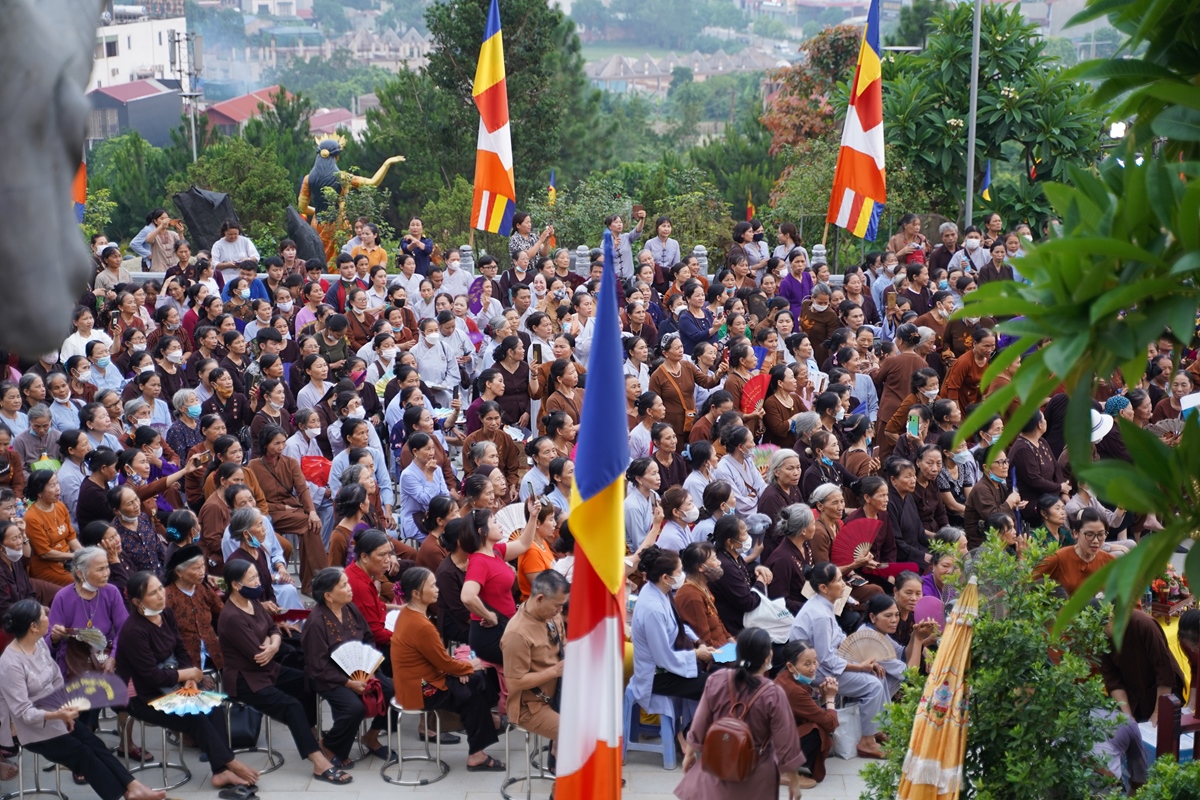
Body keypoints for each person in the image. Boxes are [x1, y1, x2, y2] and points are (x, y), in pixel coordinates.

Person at [0, 599, 167, 800]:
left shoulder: (39, 644)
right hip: (32, 728)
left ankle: (134, 787)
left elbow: (56, 678)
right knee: (83, 754)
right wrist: (58, 714)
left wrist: (65, 709)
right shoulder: (10, 664)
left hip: (57, 714)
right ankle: (123, 795)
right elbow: (23, 712)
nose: (49, 618)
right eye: (44, 616)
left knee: (95, 744)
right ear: (33, 627)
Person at [116, 572, 261, 795]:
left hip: (172, 685)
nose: (161, 595)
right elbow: (151, 676)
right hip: (143, 697)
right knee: (196, 718)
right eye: (153, 593)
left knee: (213, 706)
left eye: (160, 589)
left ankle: (220, 770)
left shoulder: (166, 614)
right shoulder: (134, 631)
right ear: (137, 602)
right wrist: (186, 674)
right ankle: (229, 763)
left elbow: (180, 650)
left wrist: (190, 679)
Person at [217, 560, 350, 784]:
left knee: (307, 681)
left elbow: (272, 628)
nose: (257, 582)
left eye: (257, 576)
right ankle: (319, 763)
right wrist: (271, 645)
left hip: (268, 668)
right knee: (291, 706)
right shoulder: (231, 617)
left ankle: (313, 735)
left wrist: (273, 644)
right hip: (246, 680)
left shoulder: (252, 601)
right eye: (252, 578)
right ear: (236, 585)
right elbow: (257, 653)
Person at [390, 567, 503, 771]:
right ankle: (480, 747)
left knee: (474, 681)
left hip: (413, 682)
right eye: (432, 586)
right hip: (420, 689)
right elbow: (444, 663)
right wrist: (466, 667)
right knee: (473, 691)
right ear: (416, 593)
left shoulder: (408, 613)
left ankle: (489, 724)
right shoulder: (421, 625)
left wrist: (460, 670)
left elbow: (437, 660)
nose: (437, 589)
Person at [675, 627, 805, 800]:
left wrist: (690, 753)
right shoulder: (773, 694)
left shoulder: (717, 679)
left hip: (718, 764)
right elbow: (786, 741)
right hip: (755, 774)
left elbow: (700, 721)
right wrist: (794, 780)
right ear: (769, 657)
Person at [300, 567, 396, 770]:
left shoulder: (350, 608)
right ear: (328, 595)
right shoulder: (316, 622)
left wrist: (370, 668)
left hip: (362, 670)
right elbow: (318, 665)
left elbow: (368, 638)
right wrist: (349, 683)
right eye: (343, 585)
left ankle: (371, 736)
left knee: (392, 691)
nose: (349, 588)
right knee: (353, 708)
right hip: (329, 677)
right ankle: (329, 745)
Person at [790, 562, 887, 759]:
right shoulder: (820, 615)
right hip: (815, 671)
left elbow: (839, 638)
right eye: (839, 580)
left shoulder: (823, 605)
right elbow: (826, 659)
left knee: (879, 673)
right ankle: (867, 743)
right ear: (824, 587)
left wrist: (862, 658)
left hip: (825, 663)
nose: (844, 584)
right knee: (873, 686)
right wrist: (859, 667)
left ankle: (876, 729)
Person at [630, 546, 714, 723]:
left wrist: (699, 642)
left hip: (671, 663)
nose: (683, 575)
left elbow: (678, 624)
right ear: (665, 578)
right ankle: (692, 733)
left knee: (721, 674)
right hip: (657, 675)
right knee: (717, 685)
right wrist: (697, 654)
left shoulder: (660, 591)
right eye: (679, 571)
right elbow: (663, 657)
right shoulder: (653, 609)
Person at [500, 569, 568, 767]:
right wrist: (554, 671)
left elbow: (562, 644)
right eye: (557, 605)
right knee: (577, 735)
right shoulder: (517, 633)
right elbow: (514, 683)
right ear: (540, 599)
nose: (560, 611)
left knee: (598, 716)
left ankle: (559, 753)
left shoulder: (551, 615)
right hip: (530, 706)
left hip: (557, 691)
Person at [460, 500, 542, 665]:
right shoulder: (479, 561)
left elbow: (523, 543)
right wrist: (488, 615)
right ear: (482, 531)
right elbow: (467, 596)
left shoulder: (495, 551)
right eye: (494, 522)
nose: (499, 525)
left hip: (506, 627)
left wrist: (533, 516)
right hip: (491, 634)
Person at [775, 639, 839, 786]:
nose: (813, 668)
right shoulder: (792, 689)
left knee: (817, 724)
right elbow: (830, 724)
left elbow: (806, 710)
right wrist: (830, 699)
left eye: (815, 661)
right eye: (807, 664)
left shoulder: (787, 678)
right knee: (817, 730)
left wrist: (823, 697)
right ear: (790, 666)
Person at [1031, 508, 1116, 595]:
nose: (1096, 541)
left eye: (1101, 535)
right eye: (1089, 535)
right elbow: (1028, 583)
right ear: (1076, 533)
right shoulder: (1059, 558)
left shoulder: (1110, 561)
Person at [674, 541, 735, 649]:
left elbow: (716, 620)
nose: (719, 563)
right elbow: (705, 641)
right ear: (701, 567)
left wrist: (729, 638)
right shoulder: (692, 596)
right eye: (714, 559)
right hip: (714, 652)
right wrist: (729, 650)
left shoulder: (702, 585)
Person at [764, 503, 817, 615]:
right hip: (796, 613)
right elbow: (778, 601)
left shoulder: (805, 544)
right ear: (803, 531)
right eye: (813, 523)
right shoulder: (782, 561)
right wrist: (813, 608)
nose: (815, 526)